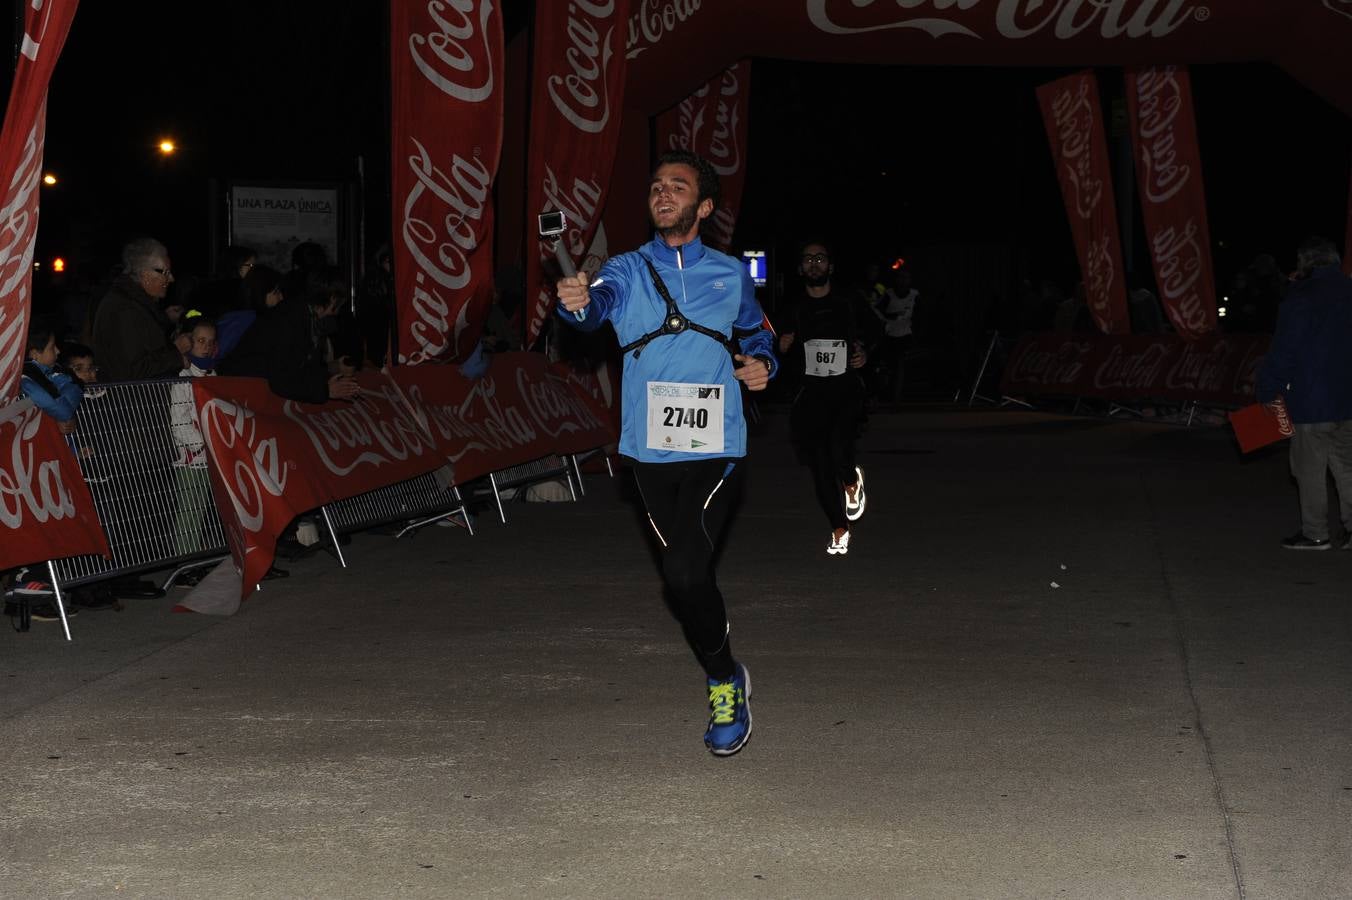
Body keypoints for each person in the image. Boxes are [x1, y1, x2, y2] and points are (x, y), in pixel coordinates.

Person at [554, 149, 776, 757]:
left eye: (676, 187)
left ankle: (723, 682)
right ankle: (727, 668)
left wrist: (764, 364)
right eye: (656, 186)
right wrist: (575, 301)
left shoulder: (730, 273)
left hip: (717, 448)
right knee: (685, 579)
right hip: (649, 454)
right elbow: (590, 309)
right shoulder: (624, 270)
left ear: (703, 206)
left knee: (682, 571)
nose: (662, 194)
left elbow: (759, 333)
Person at [776, 240, 875, 556]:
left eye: (820, 259)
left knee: (838, 449)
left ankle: (849, 480)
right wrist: (782, 345)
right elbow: (771, 347)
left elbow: (876, 330)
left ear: (830, 266)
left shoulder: (849, 301)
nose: (814, 264)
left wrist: (864, 352)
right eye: (807, 259)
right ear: (800, 268)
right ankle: (839, 528)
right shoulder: (791, 308)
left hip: (846, 390)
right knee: (819, 465)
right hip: (808, 395)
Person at [1255, 236, 1352, 550]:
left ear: (1305, 263)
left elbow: (1285, 350)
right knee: (1347, 467)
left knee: (1308, 468)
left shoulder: (1301, 298)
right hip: (1347, 399)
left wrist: (1268, 389)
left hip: (1311, 398)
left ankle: (1315, 533)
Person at [91, 237, 190, 381]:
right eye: (166, 273)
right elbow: (130, 369)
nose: (172, 279)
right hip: (132, 401)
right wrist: (176, 352)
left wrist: (165, 319)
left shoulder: (133, 302)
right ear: (146, 276)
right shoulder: (125, 309)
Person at [874, 265, 919, 404]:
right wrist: (890, 317)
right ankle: (882, 396)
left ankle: (896, 399)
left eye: (906, 278)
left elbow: (920, 315)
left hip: (905, 335)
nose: (903, 281)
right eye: (900, 277)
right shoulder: (888, 294)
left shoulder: (915, 295)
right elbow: (876, 310)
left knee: (900, 366)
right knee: (885, 367)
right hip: (889, 335)